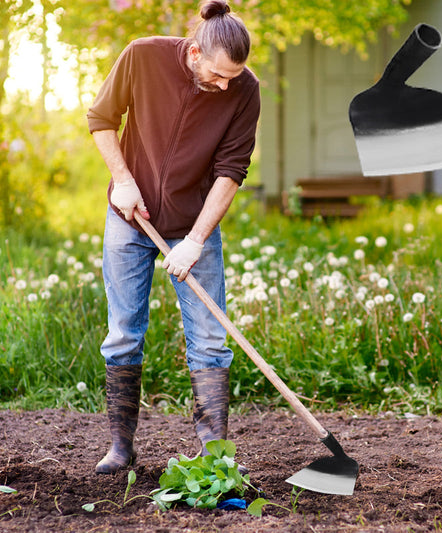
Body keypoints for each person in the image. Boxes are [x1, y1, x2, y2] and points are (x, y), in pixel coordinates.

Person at [87, 0, 260, 474]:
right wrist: (122, 180)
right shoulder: (143, 56)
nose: (227, 85)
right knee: (123, 334)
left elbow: (230, 172)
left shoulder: (245, 90)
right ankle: (121, 449)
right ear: (194, 53)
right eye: (219, 74)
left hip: (192, 225)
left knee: (209, 341)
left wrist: (197, 239)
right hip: (129, 219)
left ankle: (214, 458)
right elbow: (102, 119)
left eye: (234, 77)